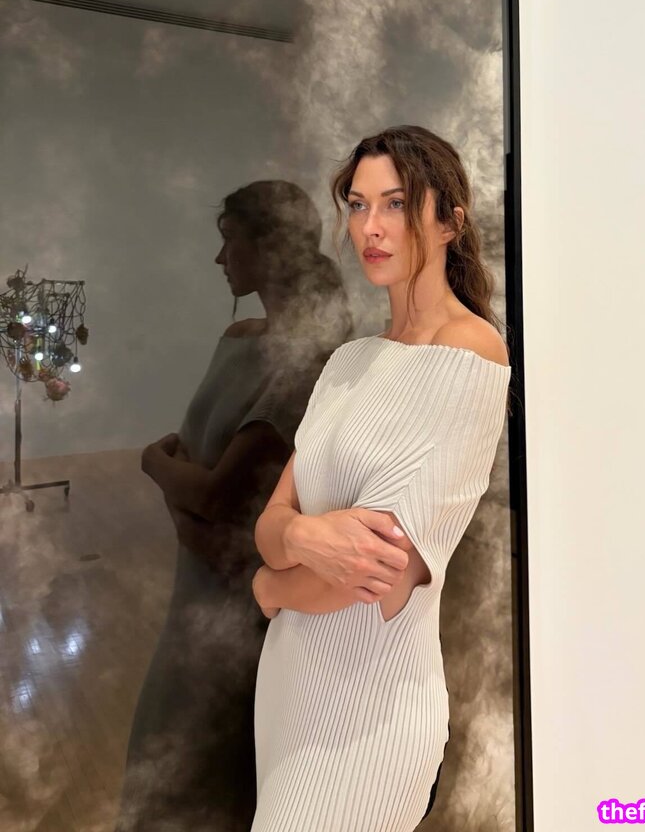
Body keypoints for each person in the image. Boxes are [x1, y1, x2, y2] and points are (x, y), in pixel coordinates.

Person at [250, 126, 512, 832]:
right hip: (291, 688)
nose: (370, 227)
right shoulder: (350, 361)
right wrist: (301, 536)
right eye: (359, 205)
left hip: (368, 714)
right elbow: (271, 523)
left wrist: (271, 586)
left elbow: (377, 577)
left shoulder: (469, 352)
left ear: (449, 221)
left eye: (395, 204)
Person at [116, 180, 352, 832]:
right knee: (168, 768)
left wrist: (151, 463)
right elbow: (201, 472)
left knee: (205, 777)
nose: (219, 258)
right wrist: (183, 496)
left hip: (243, 604)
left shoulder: (307, 358)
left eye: (230, 240)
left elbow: (216, 493)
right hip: (197, 589)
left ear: (269, 247)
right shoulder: (239, 336)